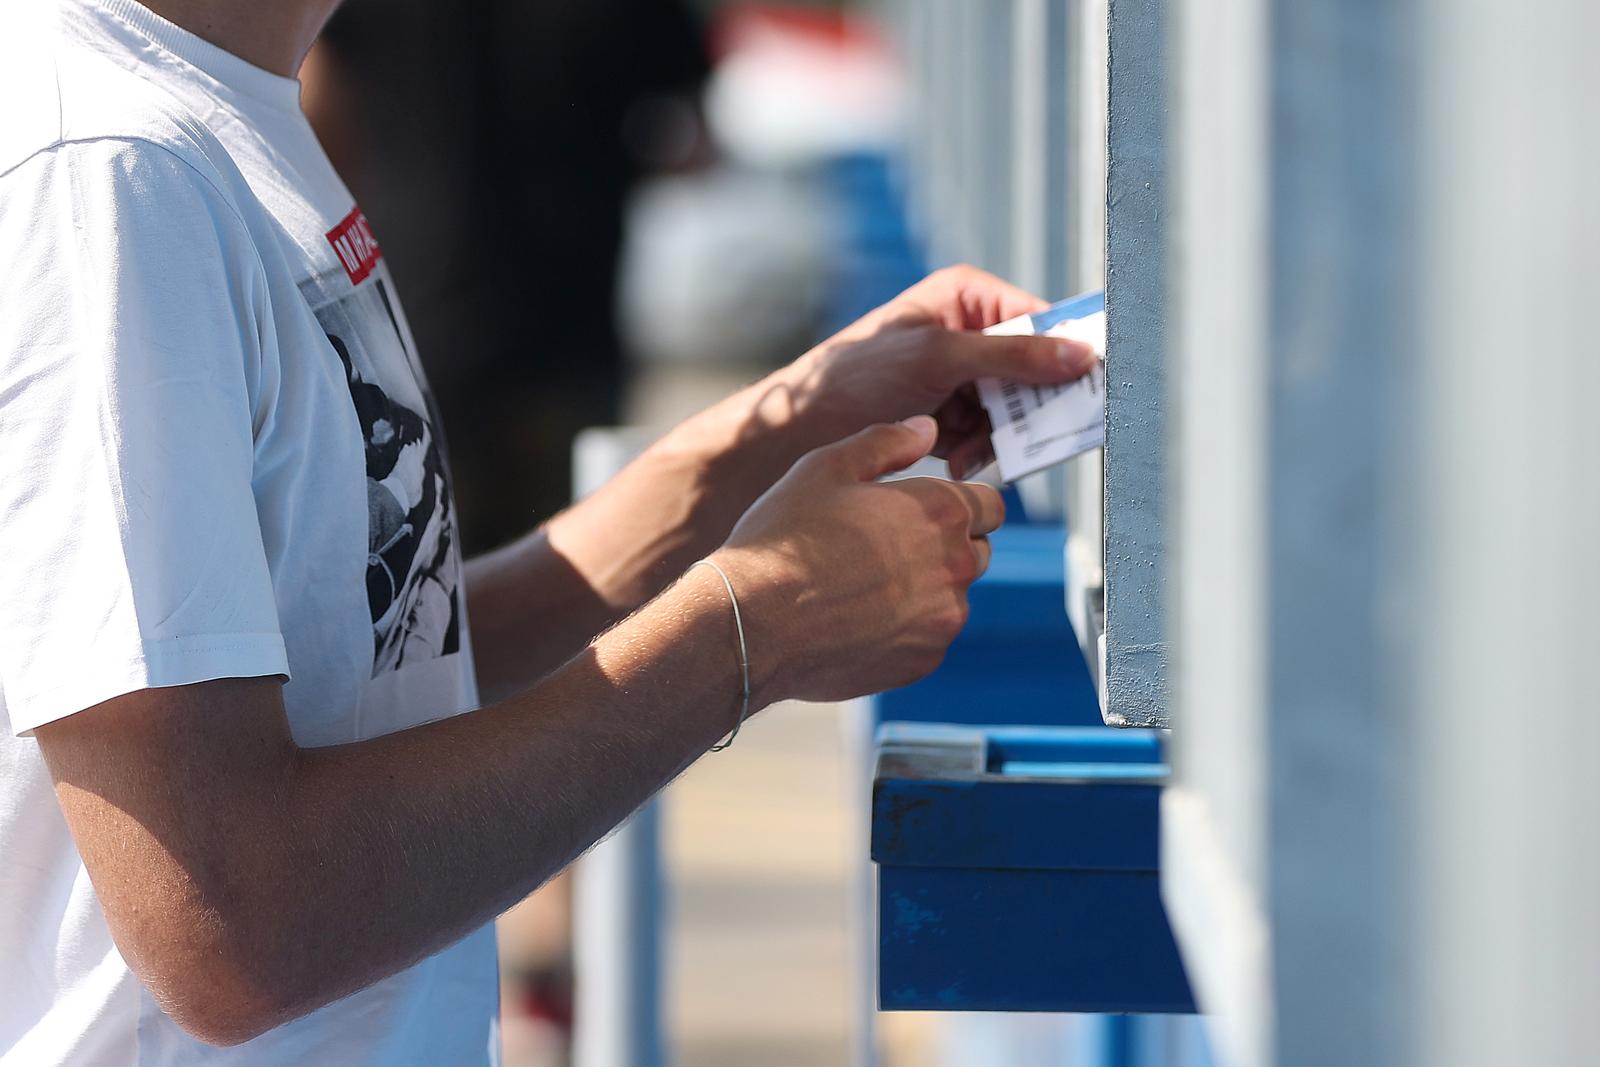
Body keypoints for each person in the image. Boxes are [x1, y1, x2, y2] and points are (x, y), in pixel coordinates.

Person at [0, 1, 1098, 1064]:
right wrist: (746, 631)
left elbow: (383, 657)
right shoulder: (105, 174)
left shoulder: (208, 108)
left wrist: (799, 415)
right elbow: (230, 920)